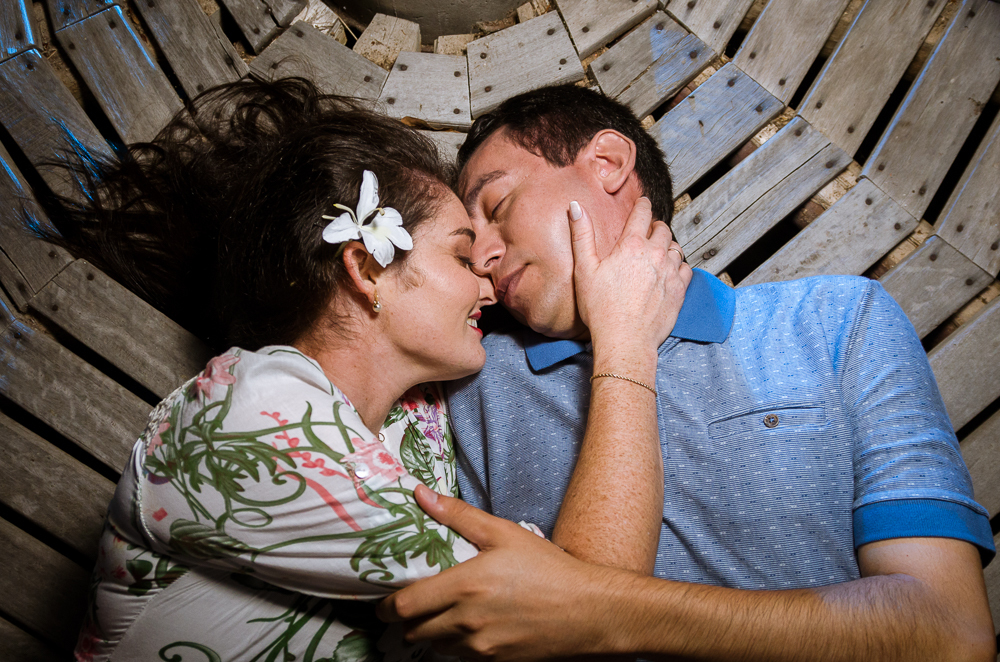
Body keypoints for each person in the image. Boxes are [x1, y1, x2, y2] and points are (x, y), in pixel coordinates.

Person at [34, 78, 690, 661]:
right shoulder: (251, 414)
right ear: (368, 268)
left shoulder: (417, 417)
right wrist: (626, 340)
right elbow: (583, 614)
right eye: (463, 257)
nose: (487, 284)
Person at [377, 84, 997, 661]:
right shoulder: (471, 384)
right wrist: (623, 340)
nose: (482, 257)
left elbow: (950, 632)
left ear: (609, 164)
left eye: (498, 203)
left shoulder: (837, 319)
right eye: (466, 242)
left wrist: (607, 609)